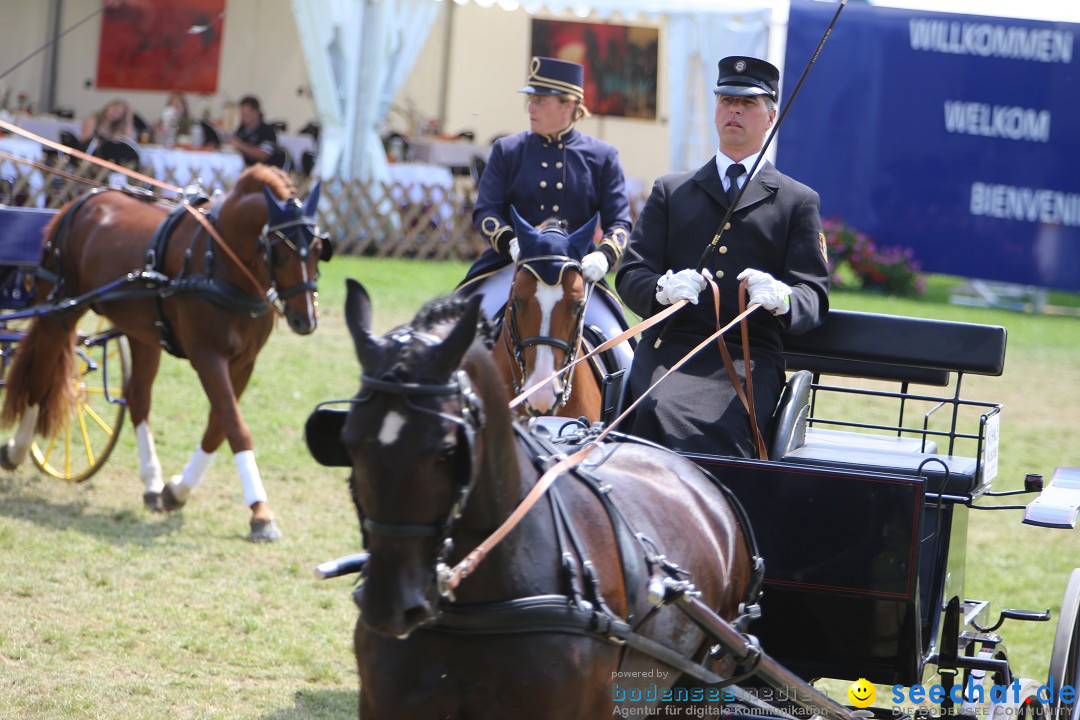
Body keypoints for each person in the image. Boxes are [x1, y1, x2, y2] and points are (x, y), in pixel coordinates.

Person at [614, 56, 829, 458]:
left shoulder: (797, 201)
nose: (734, 109)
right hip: (670, 350)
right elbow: (631, 274)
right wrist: (661, 288)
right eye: (726, 100)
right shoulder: (671, 191)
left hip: (747, 358)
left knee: (722, 428)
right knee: (653, 411)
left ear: (770, 116)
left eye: (748, 103)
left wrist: (784, 298)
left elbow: (813, 297)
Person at [457, 56, 633, 367]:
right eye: (530, 100)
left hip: (578, 272)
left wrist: (604, 256)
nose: (530, 108)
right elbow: (485, 210)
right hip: (511, 267)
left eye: (540, 100)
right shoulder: (508, 150)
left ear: (570, 105)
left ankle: (621, 417)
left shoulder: (602, 156)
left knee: (626, 355)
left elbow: (620, 221)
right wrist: (510, 241)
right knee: (454, 339)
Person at [230, 95, 277, 165]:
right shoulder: (241, 130)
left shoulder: (267, 131)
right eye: (241, 115)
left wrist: (240, 145)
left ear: (256, 113)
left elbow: (263, 155)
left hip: (261, 170)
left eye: (245, 115)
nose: (242, 118)